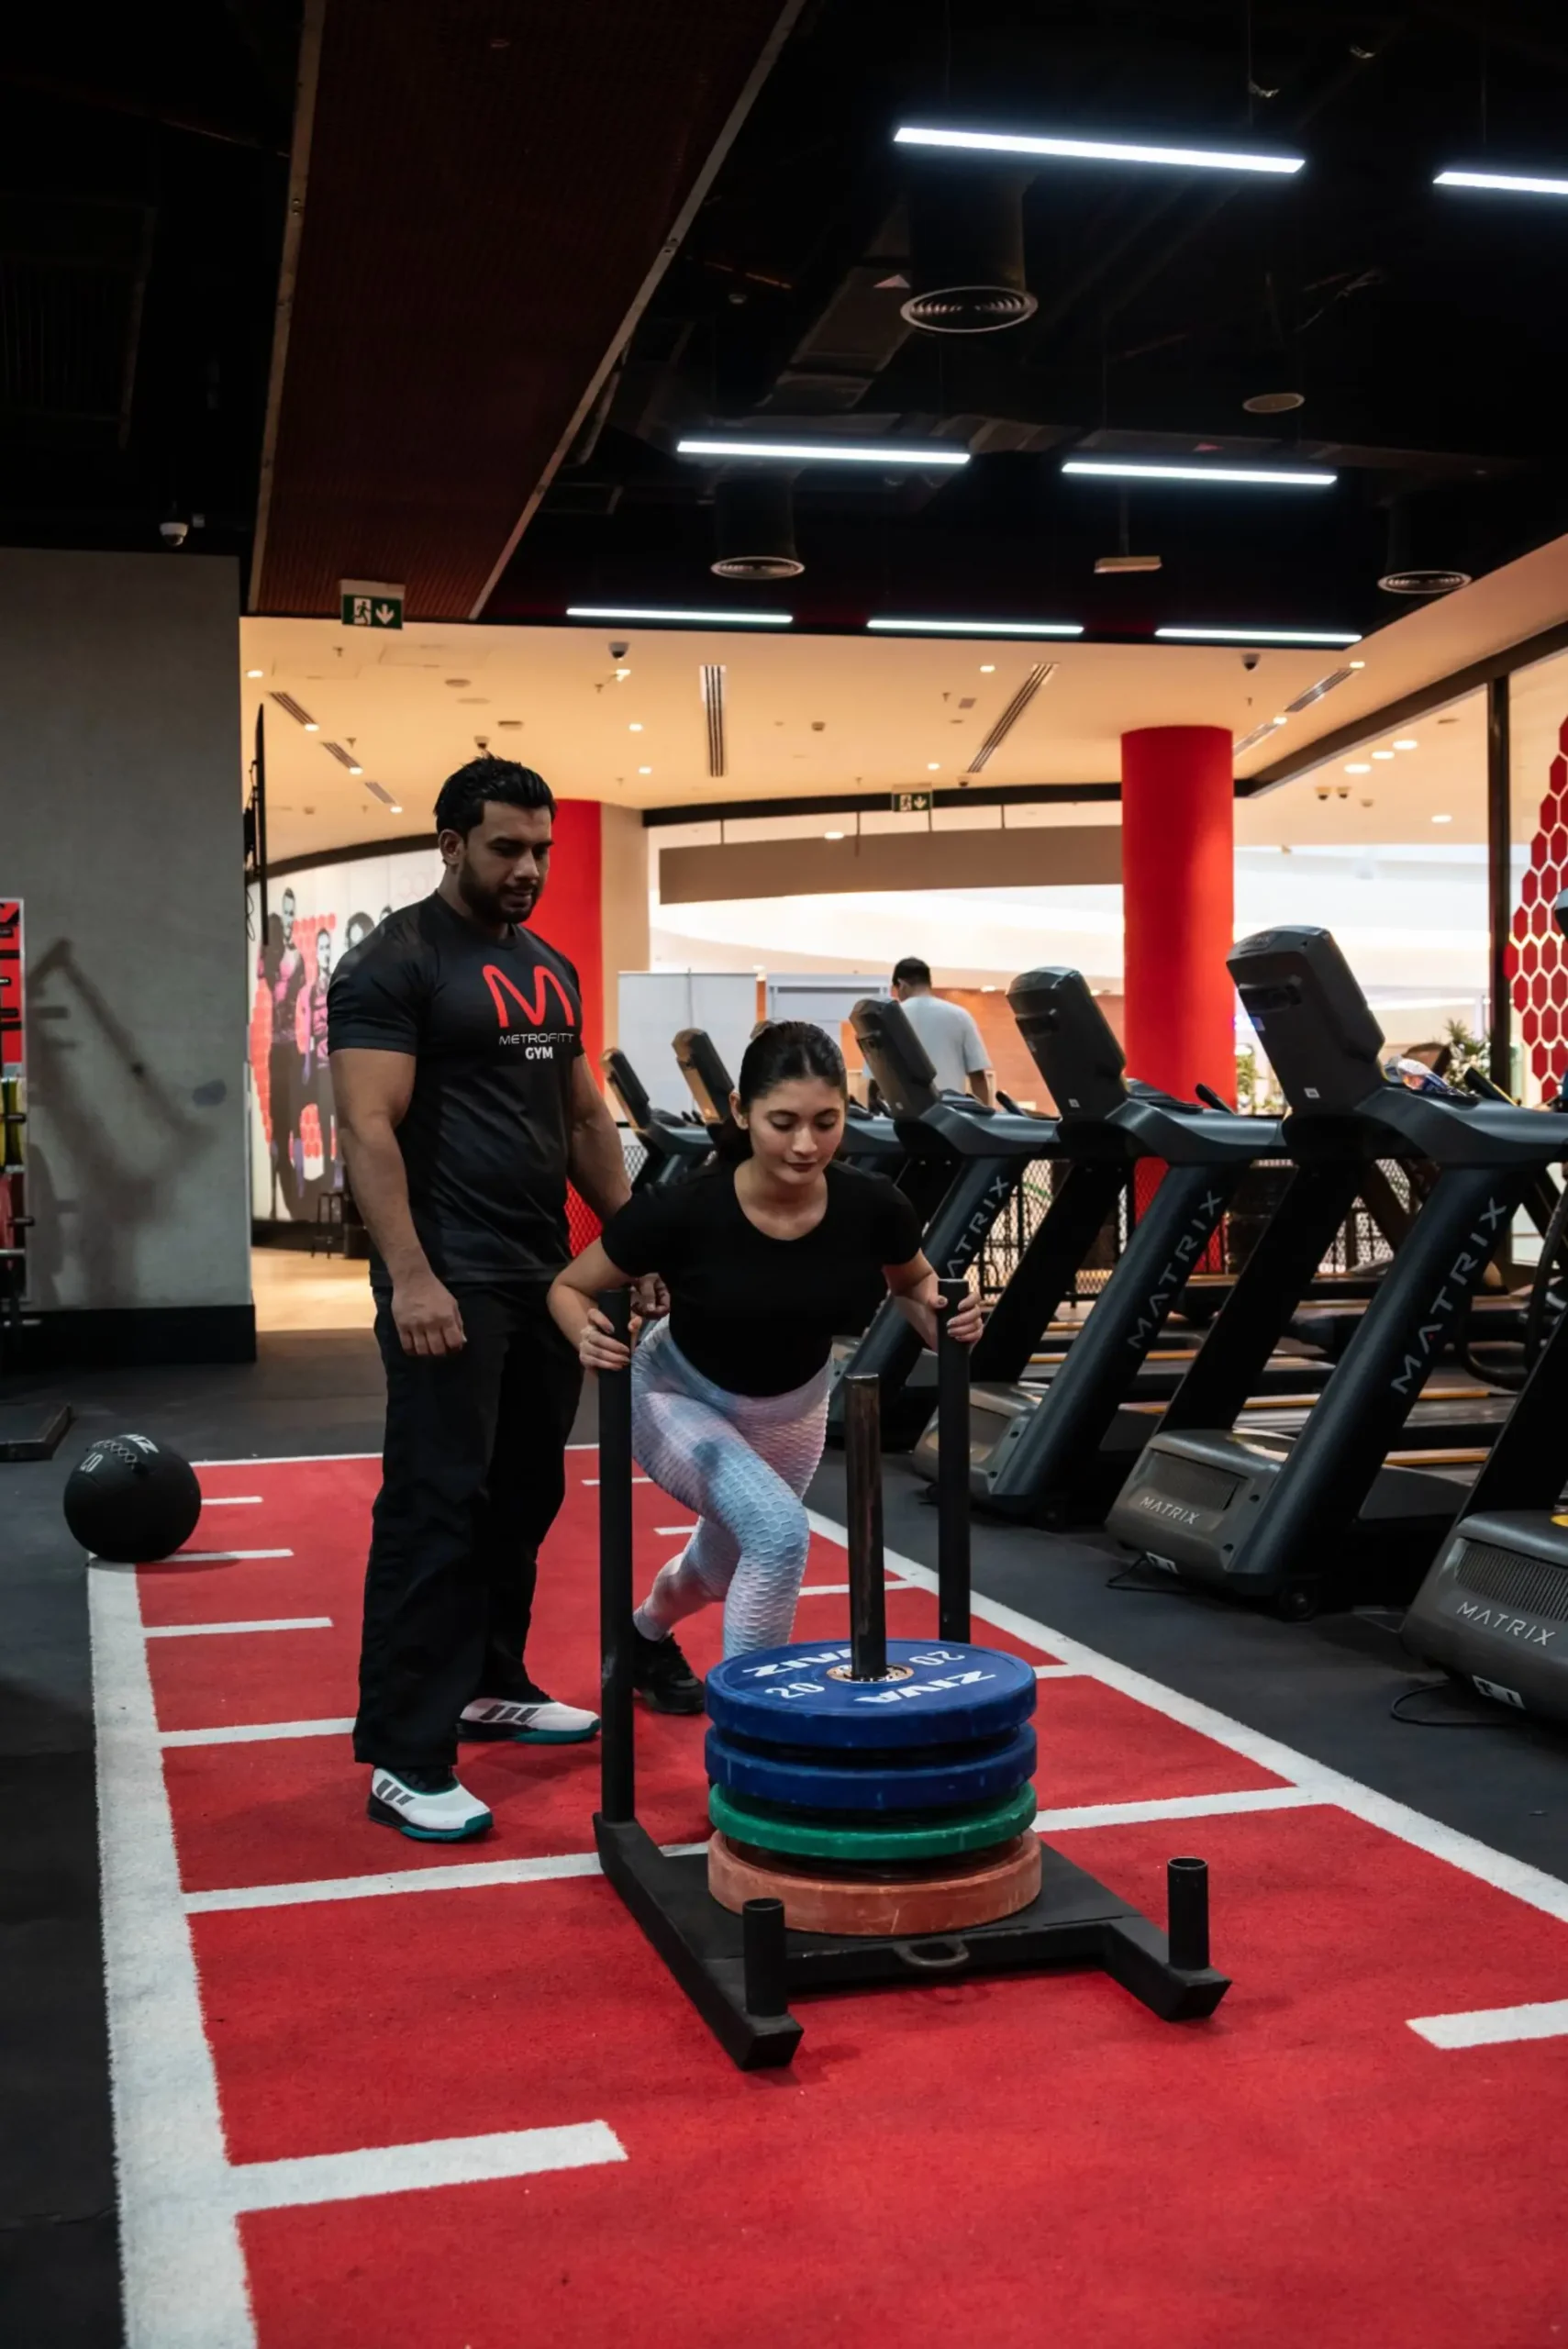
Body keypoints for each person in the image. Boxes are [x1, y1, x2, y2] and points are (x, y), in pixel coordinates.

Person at [328, 755, 639, 1842]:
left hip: (543, 1270)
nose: (528, 868)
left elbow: (585, 1119)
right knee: (435, 1501)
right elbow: (368, 1128)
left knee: (522, 1490)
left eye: (540, 849)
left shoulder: (546, 969)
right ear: (450, 842)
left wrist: (630, 1241)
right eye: (506, 847)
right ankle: (406, 1750)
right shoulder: (391, 965)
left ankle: (488, 1676)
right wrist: (410, 1273)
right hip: (448, 1269)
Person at [548, 1022, 982, 1711]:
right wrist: (587, 1336)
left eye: (825, 1122)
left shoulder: (873, 1207)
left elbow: (912, 1289)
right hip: (674, 1393)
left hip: (792, 1410)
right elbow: (568, 1286)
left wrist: (947, 1314)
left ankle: (642, 1636)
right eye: (783, 1122)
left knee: (722, 1568)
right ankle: (753, 1741)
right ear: (742, 1111)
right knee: (777, 1535)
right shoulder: (684, 1208)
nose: (805, 1145)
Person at [890, 956, 994, 1106]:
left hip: (905, 1115)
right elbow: (978, 1076)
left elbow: (875, 1080)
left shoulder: (890, 1018)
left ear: (901, 984)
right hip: (951, 1115)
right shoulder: (960, 1015)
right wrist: (985, 1116)